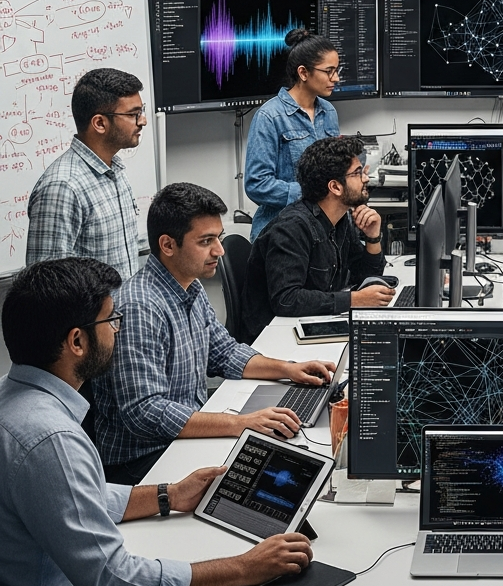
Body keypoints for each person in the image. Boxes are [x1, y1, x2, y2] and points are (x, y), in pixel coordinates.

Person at [0, 257, 313, 586]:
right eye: (112, 320)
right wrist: (245, 568)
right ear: (77, 341)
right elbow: (115, 582)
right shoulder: (52, 440)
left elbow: (73, 497)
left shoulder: (12, 398)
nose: (118, 329)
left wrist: (169, 495)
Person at [93, 182, 335, 485]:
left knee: (283, 460)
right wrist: (240, 424)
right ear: (168, 245)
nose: (219, 251)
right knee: (265, 479)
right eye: (206, 241)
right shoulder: (140, 307)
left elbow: (224, 352)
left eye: (218, 238)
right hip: (144, 461)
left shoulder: (189, 285)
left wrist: (287, 369)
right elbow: (145, 413)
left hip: (179, 440)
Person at [241, 136, 394, 342]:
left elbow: (364, 276)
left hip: (311, 324)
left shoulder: (340, 218)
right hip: (275, 338)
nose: (365, 178)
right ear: (335, 187)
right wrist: (354, 299)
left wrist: (373, 237)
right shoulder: (292, 228)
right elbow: (287, 299)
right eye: (357, 173)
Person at [26, 68, 147, 279]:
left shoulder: (115, 171)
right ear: (100, 123)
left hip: (123, 311)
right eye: (132, 114)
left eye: (141, 111)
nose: (142, 121)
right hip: (93, 314)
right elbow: (46, 289)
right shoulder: (62, 187)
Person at [244, 29, 341, 240]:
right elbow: (257, 184)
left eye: (337, 70)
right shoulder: (270, 117)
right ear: (303, 73)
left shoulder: (329, 112)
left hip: (318, 232)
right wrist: (310, 193)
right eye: (329, 71)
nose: (336, 78)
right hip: (280, 233)